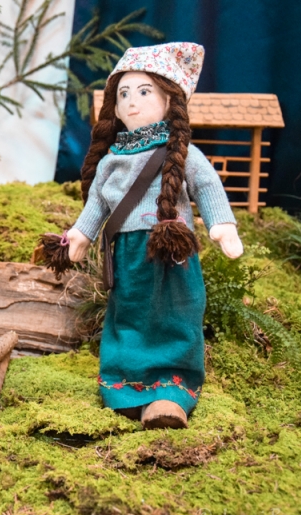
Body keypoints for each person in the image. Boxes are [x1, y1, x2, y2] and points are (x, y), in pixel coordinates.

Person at [65, 43, 243, 429]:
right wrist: (80, 234)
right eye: (124, 94)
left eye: (144, 92)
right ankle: (126, 390)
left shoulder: (183, 153)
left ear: (168, 102)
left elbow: (207, 186)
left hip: (172, 251)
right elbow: (97, 203)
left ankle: (171, 394)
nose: (132, 101)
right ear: (114, 108)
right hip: (128, 255)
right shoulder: (111, 160)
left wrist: (222, 225)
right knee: (128, 315)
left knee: (177, 315)